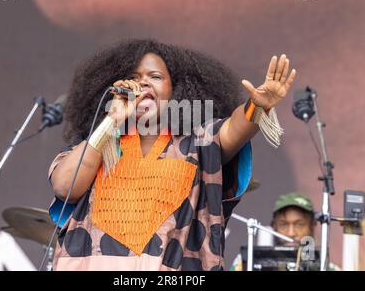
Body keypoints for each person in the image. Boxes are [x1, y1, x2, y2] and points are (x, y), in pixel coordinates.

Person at [47, 39, 297, 271]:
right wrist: (111, 120)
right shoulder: (97, 143)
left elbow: (234, 129)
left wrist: (260, 105)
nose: (143, 83)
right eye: (133, 78)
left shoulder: (197, 143)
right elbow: (65, 186)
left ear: (175, 89)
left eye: (154, 76)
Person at [230, 192, 341, 271]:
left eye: (299, 224)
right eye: (284, 224)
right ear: (274, 227)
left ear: (313, 226)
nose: (291, 233)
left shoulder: (326, 268)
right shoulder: (247, 262)